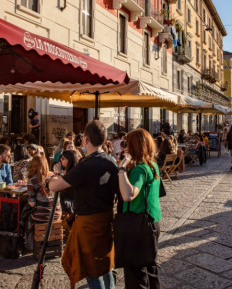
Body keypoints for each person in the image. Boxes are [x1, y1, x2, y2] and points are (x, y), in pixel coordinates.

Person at [48, 120, 118, 288]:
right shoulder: (111, 162)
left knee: (91, 269)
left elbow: (55, 186)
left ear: (86, 139)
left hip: (88, 223)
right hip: (107, 219)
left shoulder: (85, 165)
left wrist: (55, 175)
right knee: (105, 264)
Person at [117, 128, 162, 289]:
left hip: (137, 224)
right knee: (150, 268)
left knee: (136, 274)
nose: (125, 149)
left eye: (128, 145)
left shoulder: (139, 171)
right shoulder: (153, 166)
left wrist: (122, 168)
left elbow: (128, 195)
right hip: (152, 221)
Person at [26, 155, 61, 224]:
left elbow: (32, 204)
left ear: (33, 165)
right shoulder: (53, 176)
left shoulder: (32, 181)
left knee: (26, 214)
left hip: (42, 216)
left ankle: (26, 234)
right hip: (57, 214)